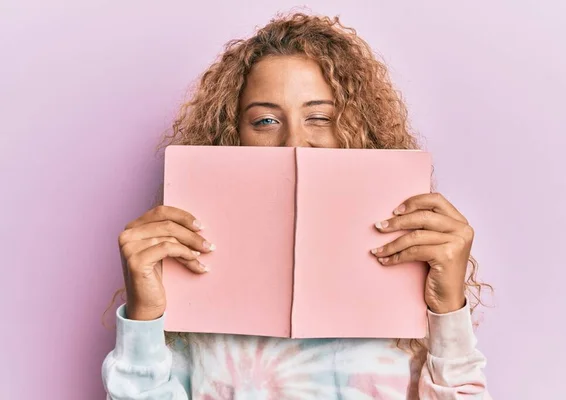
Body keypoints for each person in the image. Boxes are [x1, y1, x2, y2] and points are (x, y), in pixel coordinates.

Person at [102, 13, 492, 400]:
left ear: (359, 130)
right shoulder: (193, 278)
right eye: (266, 120)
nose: (294, 142)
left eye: (320, 117)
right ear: (232, 134)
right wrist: (145, 317)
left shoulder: (412, 270)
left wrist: (447, 310)